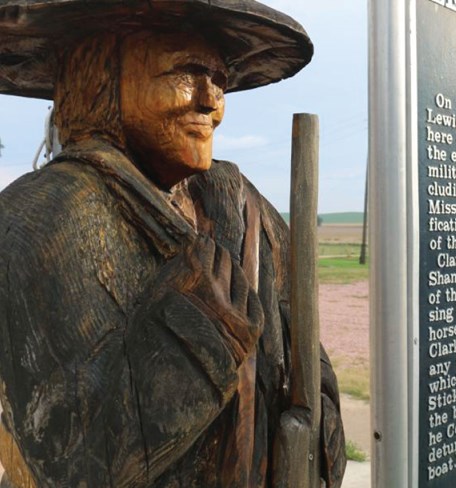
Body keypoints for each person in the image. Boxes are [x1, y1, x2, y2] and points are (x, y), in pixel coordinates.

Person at [0, 1, 346, 486]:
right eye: (185, 73)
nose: (211, 101)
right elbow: (68, 458)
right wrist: (196, 333)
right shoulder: (39, 217)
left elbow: (301, 338)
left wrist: (323, 419)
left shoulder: (242, 205)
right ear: (102, 76)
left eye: (220, 80)